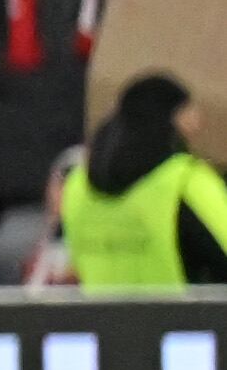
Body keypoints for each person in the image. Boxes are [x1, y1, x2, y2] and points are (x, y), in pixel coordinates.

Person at [63, 74, 227, 288]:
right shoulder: (185, 180)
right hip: (183, 318)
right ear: (179, 117)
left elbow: (75, 264)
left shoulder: (78, 183)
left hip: (102, 319)